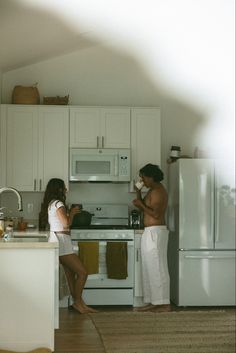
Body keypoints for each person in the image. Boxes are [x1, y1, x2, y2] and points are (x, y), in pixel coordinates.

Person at [40, 178, 97, 314]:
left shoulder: (51, 203)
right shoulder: (58, 203)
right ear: (59, 189)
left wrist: (70, 212)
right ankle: (78, 303)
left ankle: (79, 302)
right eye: (64, 187)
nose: (65, 190)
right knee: (83, 272)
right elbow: (66, 224)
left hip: (60, 240)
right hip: (62, 241)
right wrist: (71, 213)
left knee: (70, 275)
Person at [132, 164, 170, 312]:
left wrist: (140, 203)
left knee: (157, 267)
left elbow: (156, 214)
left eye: (143, 177)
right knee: (149, 267)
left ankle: (164, 304)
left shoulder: (159, 192)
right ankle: (155, 301)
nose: (142, 180)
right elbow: (144, 207)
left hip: (156, 232)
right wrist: (138, 193)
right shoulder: (152, 191)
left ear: (151, 176)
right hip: (150, 232)